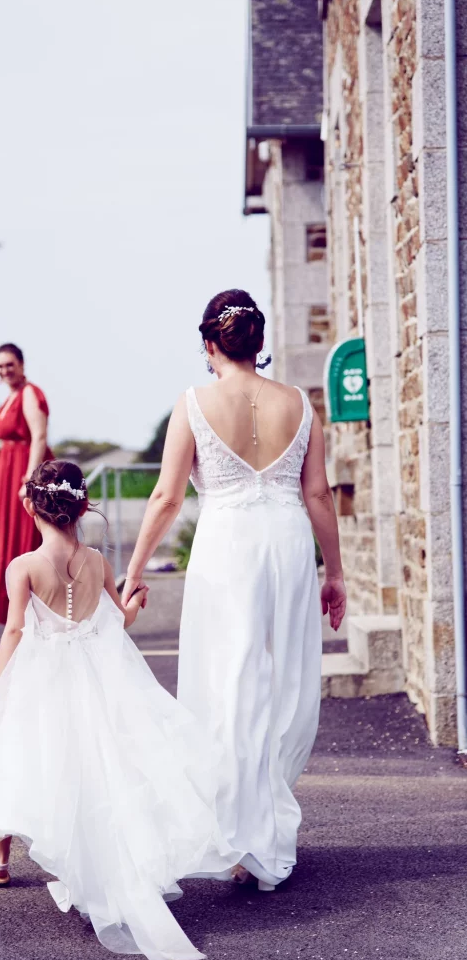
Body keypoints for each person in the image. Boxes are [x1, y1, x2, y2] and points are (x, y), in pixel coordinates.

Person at [0, 460, 238, 960]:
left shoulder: (22, 567)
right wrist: (132, 607)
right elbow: (116, 623)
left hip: (43, 677)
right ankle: (97, 852)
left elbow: (16, 631)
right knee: (100, 766)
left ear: (31, 507)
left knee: (21, 755)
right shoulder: (97, 563)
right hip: (98, 677)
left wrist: (3, 687)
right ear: (80, 506)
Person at [123, 289, 346, 890]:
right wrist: (336, 573)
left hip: (227, 550)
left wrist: (136, 570)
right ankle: (261, 827)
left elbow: (168, 497)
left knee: (226, 682)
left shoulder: (193, 403)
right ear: (258, 341)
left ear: (208, 344)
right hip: (290, 546)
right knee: (282, 684)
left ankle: (232, 830)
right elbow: (319, 495)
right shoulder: (300, 404)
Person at [0, 343, 53, 624]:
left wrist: (29, 479)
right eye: (0, 366)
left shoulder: (29, 394)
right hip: (7, 469)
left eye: (10, 364)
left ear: (22, 364)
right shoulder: (11, 397)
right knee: (6, 535)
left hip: (23, 469)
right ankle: (11, 610)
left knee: (25, 536)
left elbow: (38, 436)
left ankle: (32, 611)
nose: (5, 370)